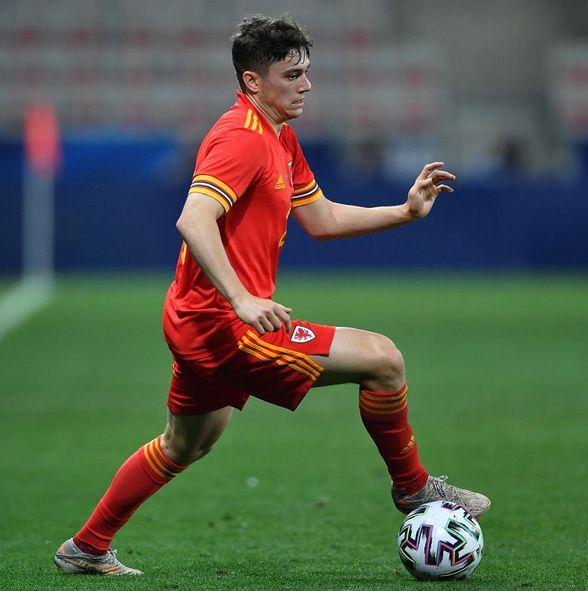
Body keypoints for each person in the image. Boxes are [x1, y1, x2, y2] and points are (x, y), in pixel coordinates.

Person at [54, 14, 490, 576]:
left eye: (306, 72)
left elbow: (322, 218)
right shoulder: (240, 139)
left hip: (195, 316)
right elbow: (193, 219)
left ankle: (85, 547)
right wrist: (241, 298)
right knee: (383, 359)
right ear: (253, 81)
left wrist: (404, 212)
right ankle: (414, 488)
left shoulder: (279, 135)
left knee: (185, 444)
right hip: (224, 324)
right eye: (292, 75)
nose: (306, 85)